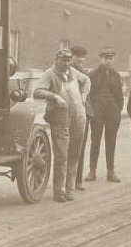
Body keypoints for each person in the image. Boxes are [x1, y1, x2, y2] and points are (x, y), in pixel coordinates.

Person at [33, 47, 90, 202]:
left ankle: (70, 189)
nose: (66, 63)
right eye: (63, 60)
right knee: (62, 155)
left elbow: (87, 81)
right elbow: (37, 91)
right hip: (60, 118)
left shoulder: (73, 72)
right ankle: (59, 191)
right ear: (56, 60)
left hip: (79, 116)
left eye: (68, 60)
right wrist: (54, 97)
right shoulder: (49, 74)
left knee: (74, 153)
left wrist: (84, 96)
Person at [84, 48, 124, 183]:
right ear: (101, 59)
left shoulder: (116, 76)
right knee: (95, 141)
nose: (108, 61)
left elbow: (120, 96)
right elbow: (88, 95)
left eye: (110, 58)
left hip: (112, 112)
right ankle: (92, 170)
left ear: (113, 60)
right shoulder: (93, 75)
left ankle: (110, 171)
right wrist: (92, 111)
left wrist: (117, 111)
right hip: (97, 112)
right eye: (106, 58)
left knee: (111, 141)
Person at [69, 45, 91, 191]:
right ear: (72, 57)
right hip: (68, 112)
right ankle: (65, 180)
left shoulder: (85, 74)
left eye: (83, 57)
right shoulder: (67, 71)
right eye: (78, 56)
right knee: (66, 147)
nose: (81, 59)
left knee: (80, 147)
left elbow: (89, 92)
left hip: (82, 113)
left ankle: (77, 180)